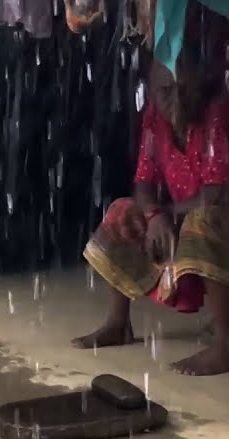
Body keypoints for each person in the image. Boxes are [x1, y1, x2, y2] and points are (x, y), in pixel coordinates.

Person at [73, 49, 229, 376]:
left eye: (184, 89)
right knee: (124, 211)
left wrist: (167, 214)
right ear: (152, 90)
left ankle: (226, 344)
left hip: (217, 221)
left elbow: (215, 192)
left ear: (199, 85)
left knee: (202, 221)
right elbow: (143, 182)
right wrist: (155, 215)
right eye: (166, 91)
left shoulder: (216, 114)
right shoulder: (153, 119)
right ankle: (118, 323)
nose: (177, 99)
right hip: (180, 218)